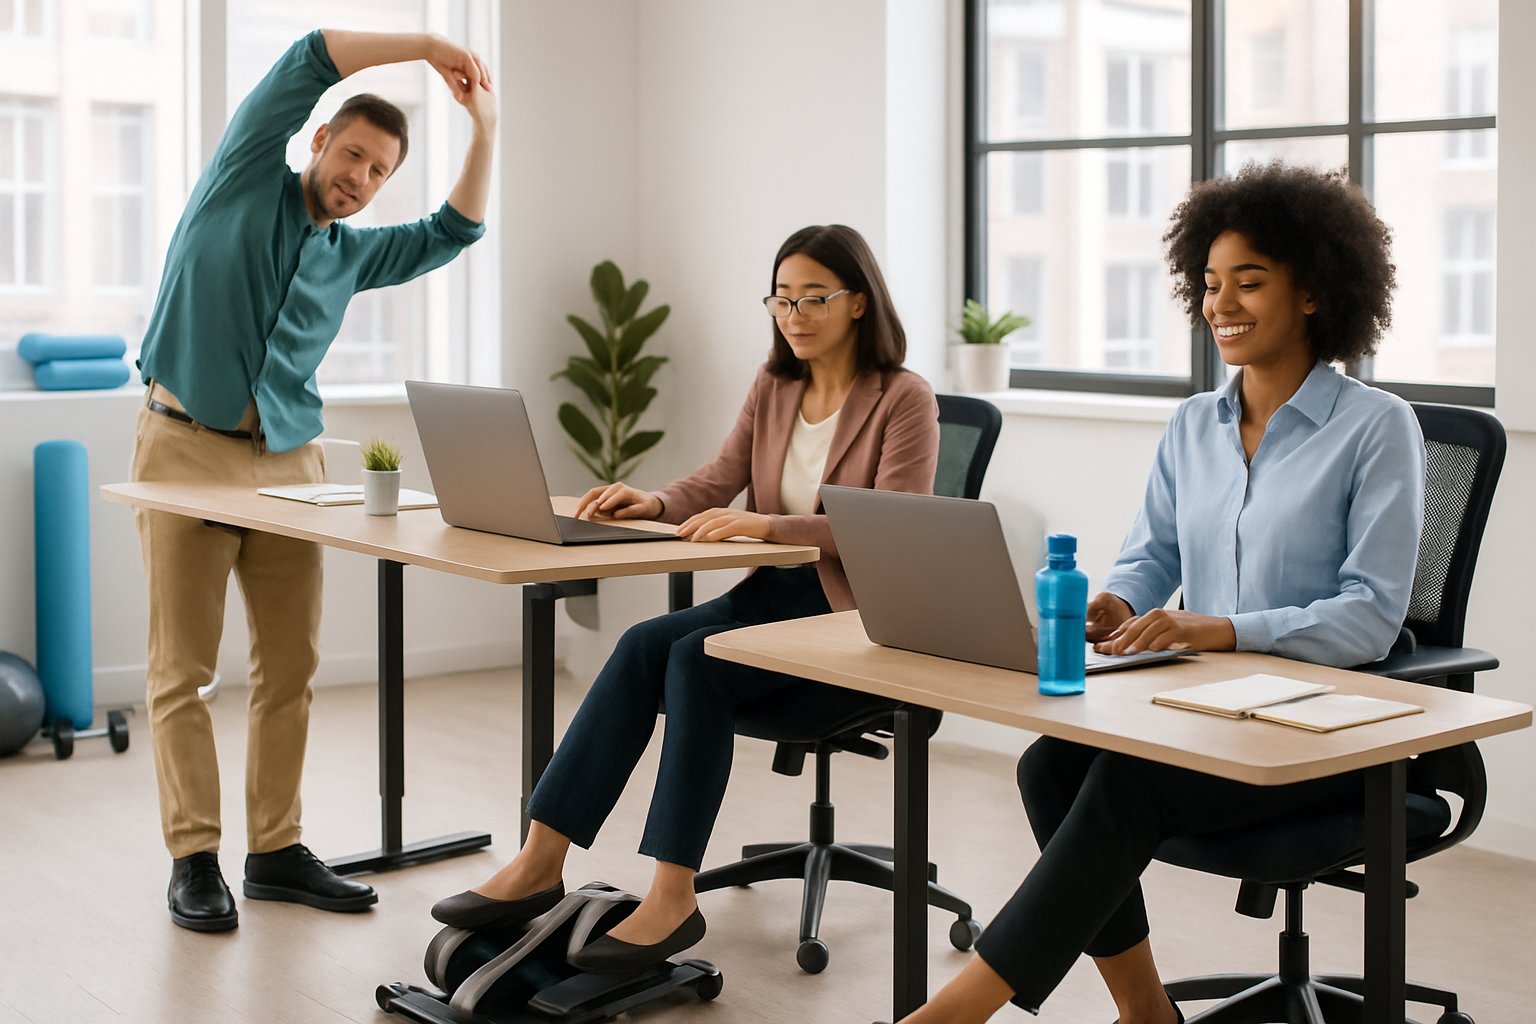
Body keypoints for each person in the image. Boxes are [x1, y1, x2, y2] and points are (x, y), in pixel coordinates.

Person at [895, 162, 1425, 1024]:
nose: (1221, 304)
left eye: (1249, 282)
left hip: (1323, 730)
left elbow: (1371, 615)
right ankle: (1147, 1013)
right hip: (1201, 712)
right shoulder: (1193, 423)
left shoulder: (1377, 428)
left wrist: (1217, 629)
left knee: (1127, 790)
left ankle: (956, 1012)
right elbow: (1152, 560)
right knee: (1051, 767)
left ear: (1315, 292)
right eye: (1210, 284)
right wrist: (1115, 602)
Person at [431, 224, 940, 972]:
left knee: (697, 661)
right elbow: (717, 477)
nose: (793, 314)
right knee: (644, 644)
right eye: (781, 298)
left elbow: (896, 529)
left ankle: (673, 896)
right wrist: (656, 501)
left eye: (813, 298)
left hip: (850, 623)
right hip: (772, 593)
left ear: (859, 302)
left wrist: (768, 522)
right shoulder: (775, 387)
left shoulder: (905, 399)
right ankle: (542, 860)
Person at [132, 28, 496, 933]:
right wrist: (426, 45)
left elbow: (453, 232)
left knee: (289, 665)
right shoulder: (245, 175)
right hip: (184, 444)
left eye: (380, 172)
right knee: (182, 670)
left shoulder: (351, 253)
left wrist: (484, 125)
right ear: (322, 137)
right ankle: (194, 857)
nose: (361, 179)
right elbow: (310, 56)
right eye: (355, 156)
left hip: (290, 463)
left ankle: (275, 850)